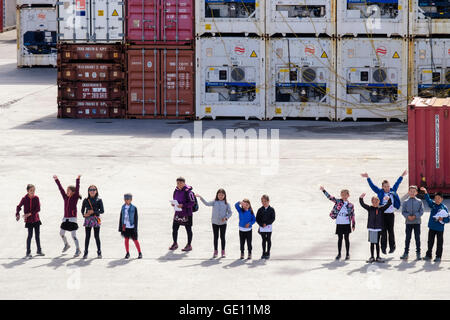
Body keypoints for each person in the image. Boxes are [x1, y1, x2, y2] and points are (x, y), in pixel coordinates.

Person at [361, 170, 407, 254]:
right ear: (382, 187)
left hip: (390, 215)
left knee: (391, 231)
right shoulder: (380, 192)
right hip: (382, 215)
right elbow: (373, 186)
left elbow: (397, 183)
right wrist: (368, 178)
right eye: (385, 186)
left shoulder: (392, 191)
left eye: (388, 186)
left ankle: (392, 247)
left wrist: (402, 176)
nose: (387, 188)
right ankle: (383, 247)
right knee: (383, 232)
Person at [320, 186, 355, 260]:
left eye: (345, 194)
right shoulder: (338, 201)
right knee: (340, 238)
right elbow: (330, 197)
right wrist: (323, 190)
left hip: (346, 223)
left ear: (348, 195)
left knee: (346, 238)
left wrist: (353, 224)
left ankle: (347, 254)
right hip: (339, 223)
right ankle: (339, 253)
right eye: (342, 194)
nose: (344, 196)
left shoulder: (350, 205)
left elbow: (352, 215)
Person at [196, 189, 233, 258]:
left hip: (223, 223)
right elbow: (206, 203)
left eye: (222, 195)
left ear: (224, 195)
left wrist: (226, 218)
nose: (220, 196)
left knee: (222, 237)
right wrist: (201, 197)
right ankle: (215, 251)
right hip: (215, 223)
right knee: (215, 237)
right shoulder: (214, 202)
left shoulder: (227, 204)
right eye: (219, 195)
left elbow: (230, 212)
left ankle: (223, 251)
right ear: (217, 195)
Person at [54, 175, 82, 257]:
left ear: (73, 192)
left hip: (72, 218)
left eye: (68, 190)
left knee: (73, 235)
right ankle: (66, 244)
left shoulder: (75, 197)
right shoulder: (65, 197)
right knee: (61, 233)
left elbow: (77, 188)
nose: (66, 192)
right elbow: (60, 189)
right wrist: (57, 180)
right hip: (65, 218)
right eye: (67, 190)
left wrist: (77, 179)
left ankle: (78, 249)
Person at [359, 194, 392, 263]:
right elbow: (363, 204)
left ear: (379, 202)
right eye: (373, 202)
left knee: (377, 243)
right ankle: (372, 257)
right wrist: (361, 198)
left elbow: (388, 204)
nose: (375, 203)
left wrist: (388, 199)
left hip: (378, 229)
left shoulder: (381, 209)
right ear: (371, 202)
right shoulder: (370, 208)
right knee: (372, 243)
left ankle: (378, 257)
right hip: (371, 228)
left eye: (376, 201)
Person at [16, 184, 44, 258]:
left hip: (36, 219)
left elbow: (38, 209)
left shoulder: (36, 198)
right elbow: (18, 206)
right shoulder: (24, 199)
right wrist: (17, 214)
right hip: (29, 221)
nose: (33, 192)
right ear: (27, 191)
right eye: (31, 190)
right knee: (30, 236)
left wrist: (29, 214)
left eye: (34, 190)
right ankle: (28, 252)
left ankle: (39, 250)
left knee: (37, 236)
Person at [421, 188, 449, 262]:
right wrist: (426, 192)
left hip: (440, 229)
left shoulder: (444, 208)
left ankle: (438, 256)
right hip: (432, 227)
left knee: (439, 243)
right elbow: (428, 200)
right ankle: (428, 255)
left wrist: (442, 219)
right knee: (430, 242)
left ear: (442, 199)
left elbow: (448, 219)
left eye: (439, 198)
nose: (437, 200)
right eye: (436, 198)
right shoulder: (433, 205)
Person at [169, 177, 196, 252]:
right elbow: (175, 199)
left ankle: (189, 245)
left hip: (187, 214)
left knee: (188, 229)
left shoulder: (188, 192)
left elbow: (192, 202)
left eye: (180, 183)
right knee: (174, 228)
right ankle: (175, 243)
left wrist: (183, 205)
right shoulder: (176, 190)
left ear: (184, 183)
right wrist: (174, 204)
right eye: (177, 183)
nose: (179, 185)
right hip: (178, 213)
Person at [400, 186, 424, 260]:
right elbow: (403, 211)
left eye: (414, 191)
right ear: (408, 192)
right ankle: (406, 253)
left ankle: (418, 253)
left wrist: (415, 216)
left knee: (417, 238)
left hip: (417, 222)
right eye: (411, 191)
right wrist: (408, 216)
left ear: (416, 192)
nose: (412, 193)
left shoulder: (419, 201)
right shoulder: (405, 202)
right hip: (408, 223)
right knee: (408, 238)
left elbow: (421, 211)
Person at [81, 185, 104, 259]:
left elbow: (102, 211)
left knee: (96, 236)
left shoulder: (99, 200)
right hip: (88, 219)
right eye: (90, 190)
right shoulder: (86, 200)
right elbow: (82, 210)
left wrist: (93, 211)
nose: (92, 191)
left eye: (94, 189)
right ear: (88, 191)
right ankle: (86, 252)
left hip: (96, 218)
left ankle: (99, 251)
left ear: (96, 191)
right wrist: (84, 214)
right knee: (87, 236)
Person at [118, 193, 142, 259]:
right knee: (126, 239)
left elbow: (136, 218)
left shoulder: (134, 208)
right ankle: (127, 253)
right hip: (125, 226)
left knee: (135, 240)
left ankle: (140, 252)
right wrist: (120, 227)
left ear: (131, 200)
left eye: (128, 199)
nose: (126, 200)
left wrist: (135, 228)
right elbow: (121, 217)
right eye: (125, 199)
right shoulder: (123, 207)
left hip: (132, 226)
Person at [256, 195, 276, 260]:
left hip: (269, 227)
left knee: (269, 239)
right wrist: (261, 224)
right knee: (264, 240)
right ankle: (264, 252)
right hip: (262, 227)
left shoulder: (271, 209)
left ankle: (268, 252)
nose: (263, 202)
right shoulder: (260, 210)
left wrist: (266, 223)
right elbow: (257, 219)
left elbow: (273, 218)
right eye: (262, 201)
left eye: (265, 201)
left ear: (268, 201)